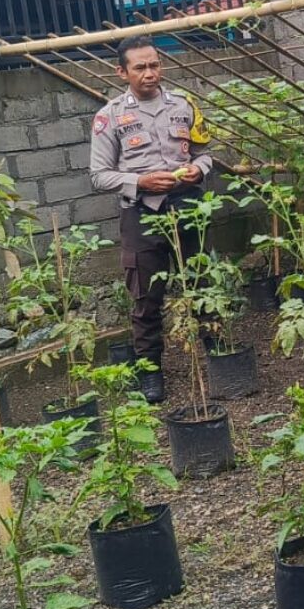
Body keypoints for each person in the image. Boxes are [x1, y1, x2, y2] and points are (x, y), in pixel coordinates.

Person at [89, 35, 212, 401]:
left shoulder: (184, 105)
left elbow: (205, 152)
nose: (149, 73)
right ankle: (151, 371)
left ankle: (218, 353)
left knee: (203, 285)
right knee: (146, 298)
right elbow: (99, 176)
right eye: (140, 67)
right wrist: (140, 181)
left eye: (154, 65)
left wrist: (199, 170)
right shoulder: (109, 116)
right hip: (142, 213)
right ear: (122, 72)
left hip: (187, 206)